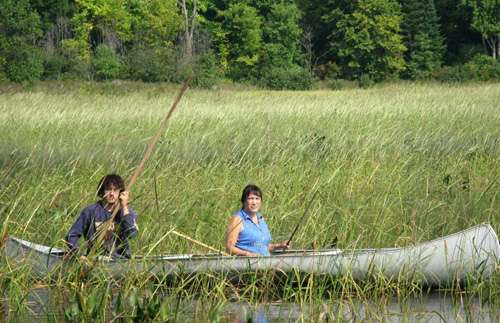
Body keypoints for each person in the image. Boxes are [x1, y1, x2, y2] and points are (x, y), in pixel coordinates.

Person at [65, 174, 138, 258]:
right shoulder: (90, 211)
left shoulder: (126, 212)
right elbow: (71, 235)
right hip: (96, 260)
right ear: (102, 191)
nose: (111, 193)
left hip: (121, 260)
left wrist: (124, 206)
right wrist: (79, 255)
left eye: (115, 190)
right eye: (108, 189)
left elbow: (132, 234)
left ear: (120, 193)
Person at [225, 184, 289, 257]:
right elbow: (229, 248)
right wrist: (248, 254)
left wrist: (279, 246)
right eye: (250, 198)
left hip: (264, 263)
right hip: (247, 264)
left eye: (257, 198)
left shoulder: (261, 218)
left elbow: (262, 246)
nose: (254, 202)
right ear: (244, 201)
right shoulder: (238, 219)